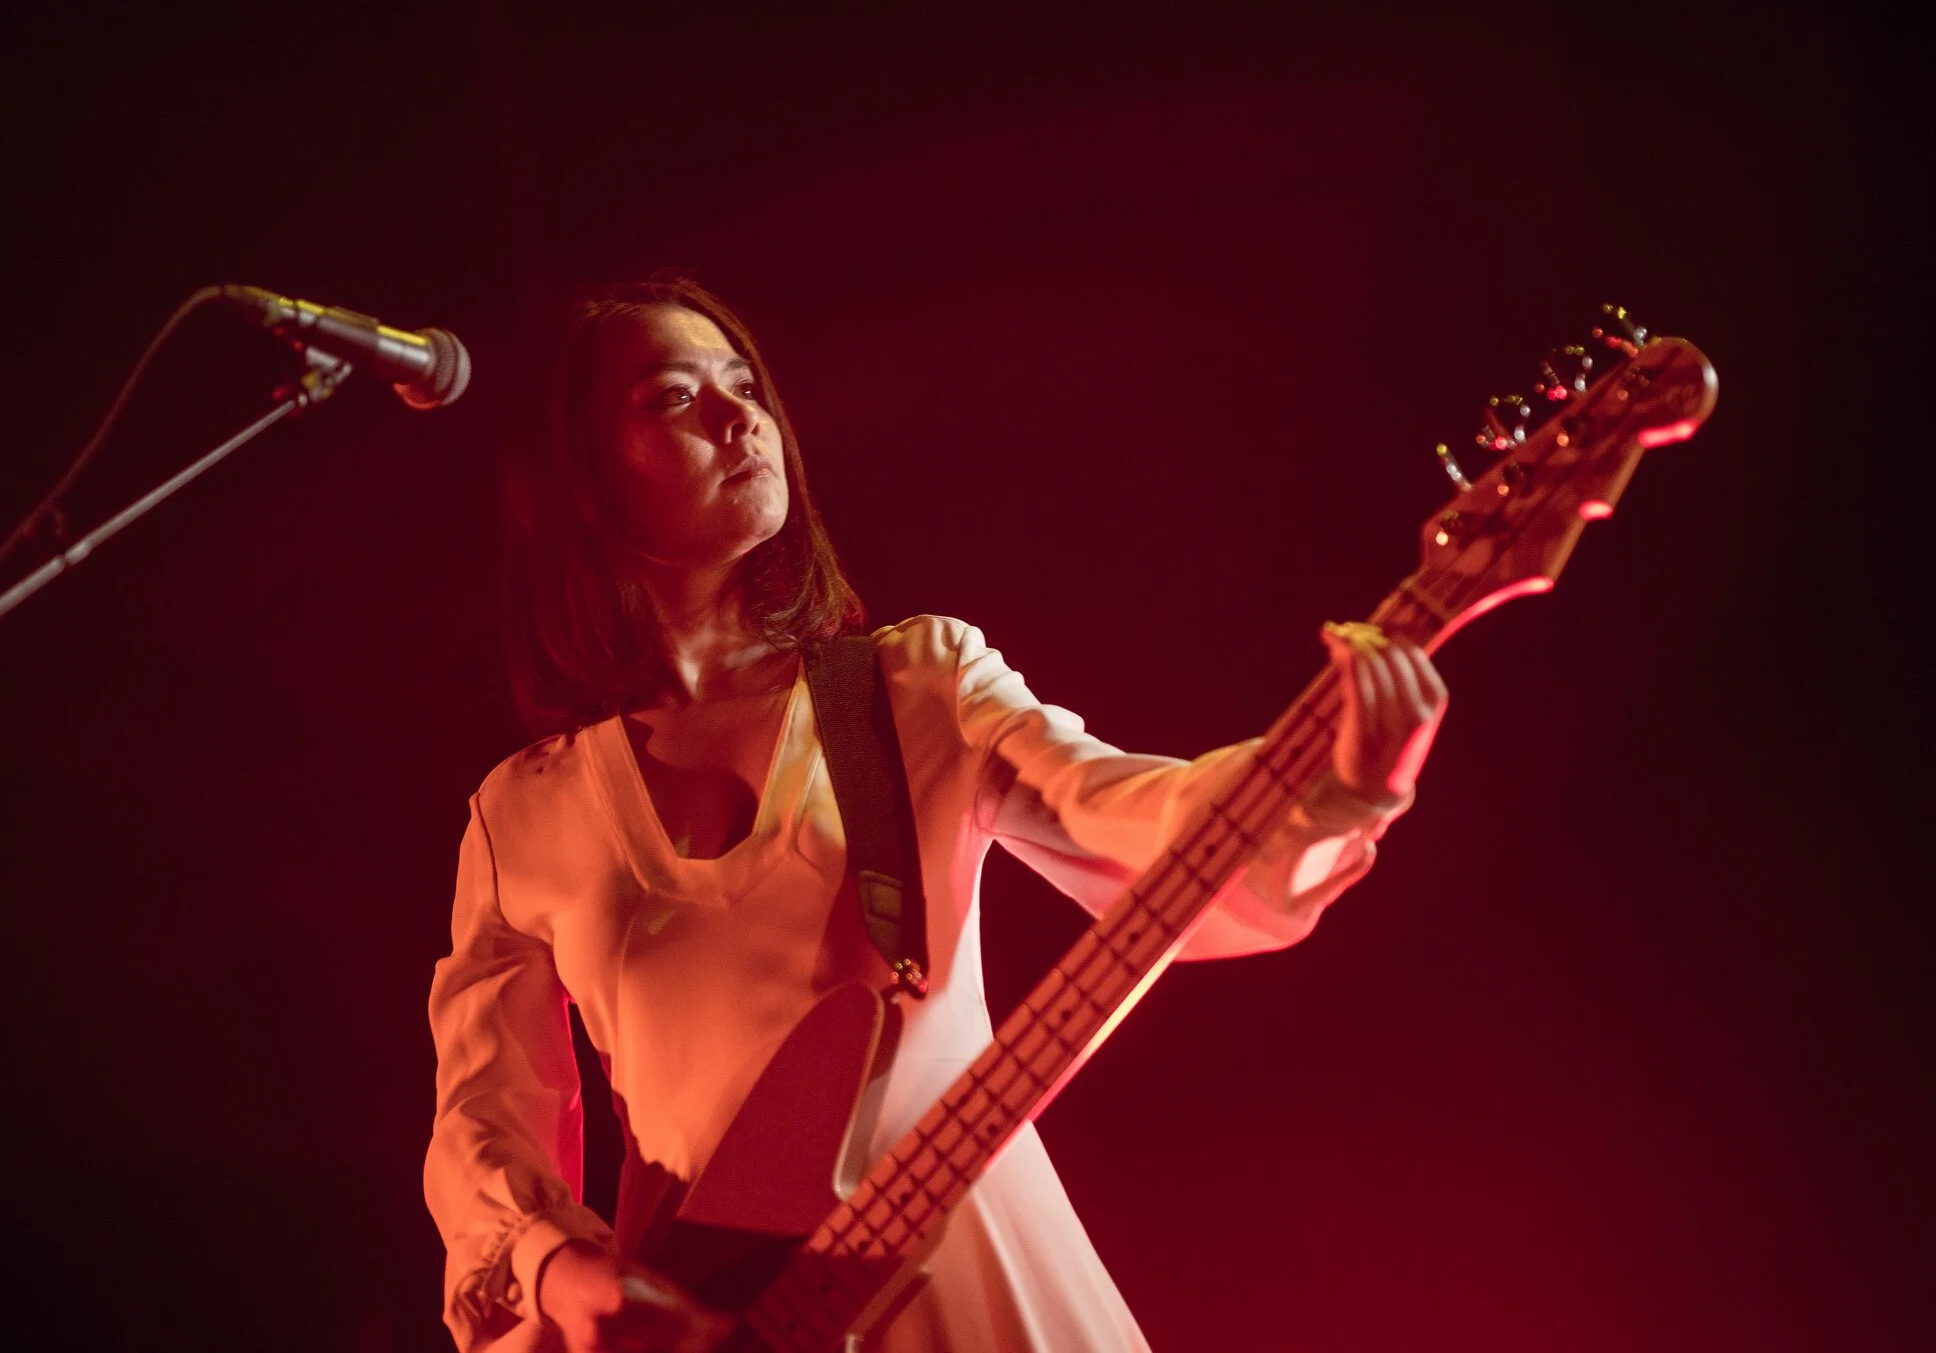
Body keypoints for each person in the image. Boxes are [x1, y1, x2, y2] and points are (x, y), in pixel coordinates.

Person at [423, 275, 1448, 1353]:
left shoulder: (913, 685)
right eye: (675, 396)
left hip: (974, 1273)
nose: (739, 417)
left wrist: (1328, 787)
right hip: (722, 1321)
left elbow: (1137, 818)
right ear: (577, 475)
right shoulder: (522, 815)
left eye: (745, 386)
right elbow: (482, 1127)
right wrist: (561, 1266)